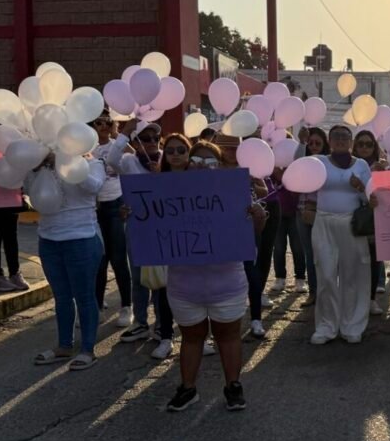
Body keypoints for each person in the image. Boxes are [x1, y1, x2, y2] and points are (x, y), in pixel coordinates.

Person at [164, 140, 264, 412]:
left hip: (227, 283)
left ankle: (233, 386)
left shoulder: (235, 193)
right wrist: (135, 218)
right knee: (191, 337)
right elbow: (155, 230)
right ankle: (188, 388)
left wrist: (257, 216)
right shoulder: (167, 195)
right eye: (195, 162)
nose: (201, 167)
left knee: (228, 337)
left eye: (209, 162)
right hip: (184, 286)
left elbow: (253, 234)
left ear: (219, 166)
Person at [28, 136, 106, 371]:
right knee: (61, 297)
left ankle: (88, 349)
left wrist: (65, 162)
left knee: (84, 296)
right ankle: (64, 345)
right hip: (48, 239)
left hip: (81, 238)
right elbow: (30, 195)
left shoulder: (92, 162)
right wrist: (38, 168)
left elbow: (94, 187)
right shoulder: (38, 164)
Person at [117, 125, 186, 361]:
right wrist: (124, 132)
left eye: (156, 138)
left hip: (163, 229)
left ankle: (161, 323)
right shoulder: (129, 163)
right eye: (145, 138)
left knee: (161, 278)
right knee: (138, 277)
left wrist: (161, 177)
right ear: (136, 142)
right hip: (138, 226)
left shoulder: (168, 166)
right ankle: (140, 322)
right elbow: (111, 159)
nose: (151, 142)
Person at [307, 125, 372, 345]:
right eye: (337, 137)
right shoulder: (319, 162)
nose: (341, 141)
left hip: (351, 224)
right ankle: (326, 325)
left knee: (352, 275)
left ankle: (351, 324)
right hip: (323, 222)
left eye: (346, 137)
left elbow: (370, 199)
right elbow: (306, 186)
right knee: (325, 274)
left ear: (351, 141)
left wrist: (360, 187)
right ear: (330, 141)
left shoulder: (362, 165)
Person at [222, 134, 274, 340]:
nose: (230, 152)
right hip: (220, 229)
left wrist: (252, 182)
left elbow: (264, 191)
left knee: (250, 272)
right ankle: (223, 321)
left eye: (234, 148)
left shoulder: (249, 168)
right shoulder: (212, 171)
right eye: (225, 148)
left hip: (246, 227)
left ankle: (255, 319)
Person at [91, 112, 133, 327]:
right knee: (99, 260)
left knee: (118, 258)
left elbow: (135, 158)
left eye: (108, 122)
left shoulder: (118, 144)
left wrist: (119, 135)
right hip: (94, 208)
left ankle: (126, 305)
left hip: (116, 204)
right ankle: (97, 306)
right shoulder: (86, 147)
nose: (104, 126)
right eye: (99, 122)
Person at [353, 129, 388, 315]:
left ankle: (371, 299)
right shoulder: (350, 165)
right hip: (353, 219)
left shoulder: (382, 166)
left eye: (369, 144)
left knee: (374, 261)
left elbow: (387, 194)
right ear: (355, 146)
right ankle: (355, 299)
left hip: (375, 219)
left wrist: (382, 175)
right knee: (354, 261)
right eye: (361, 144)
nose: (365, 147)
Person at [270, 129, 308, 297]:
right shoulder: (271, 166)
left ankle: (300, 278)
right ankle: (280, 278)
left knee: (298, 247)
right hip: (278, 212)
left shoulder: (298, 166)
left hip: (295, 211)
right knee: (278, 248)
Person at [296, 127, 328, 307]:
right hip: (301, 212)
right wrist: (301, 142)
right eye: (311, 143)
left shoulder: (328, 162)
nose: (314, 146)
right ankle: (313, 292)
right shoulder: (303, 160)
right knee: (309, 254)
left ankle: (326, 291)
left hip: (322, 212)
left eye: (318, 143)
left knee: (324, 254)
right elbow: (296, 161)